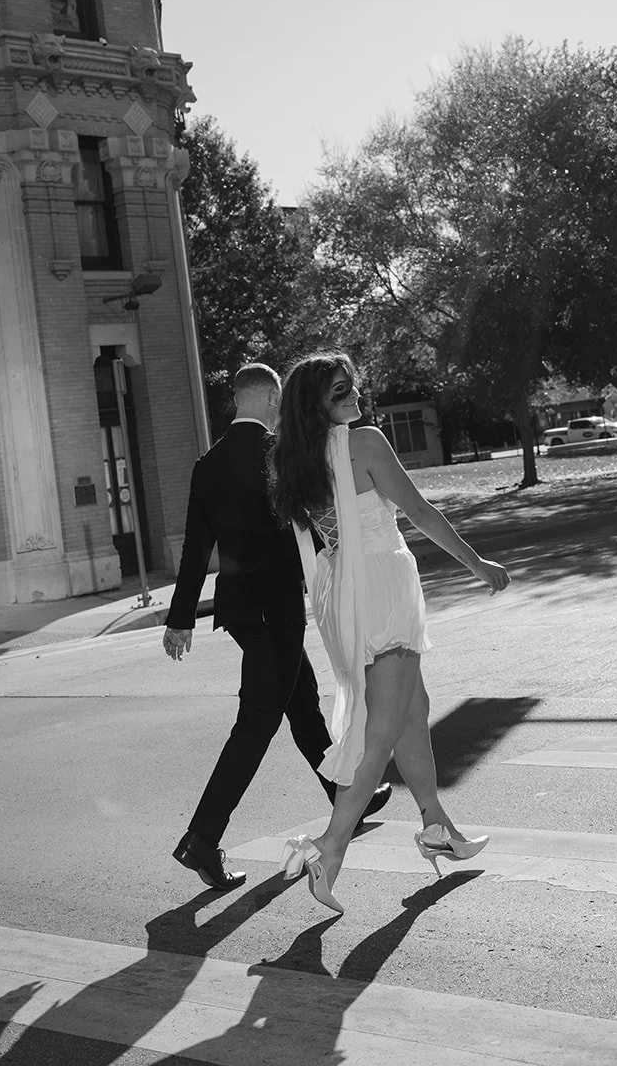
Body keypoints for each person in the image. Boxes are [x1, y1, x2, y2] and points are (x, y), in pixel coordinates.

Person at [269, 352, 510, 913]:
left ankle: (435, 824)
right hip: (383, 588)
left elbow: (320, 541)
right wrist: (477, 565)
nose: (353, 396)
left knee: (410, 708)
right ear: (315, 406)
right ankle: (328, 848)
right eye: (338, 392)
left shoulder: (294, 460)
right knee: (380, 730)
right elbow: (420, 513)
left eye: (352, 386)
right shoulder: (367, 443)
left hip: (342, 599)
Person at [163, 362, 390, 892]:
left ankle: (343, 796)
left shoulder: (207, 464)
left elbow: (196, 548)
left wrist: (180, 619)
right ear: (269, 399)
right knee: (257, 722)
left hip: (242, 611)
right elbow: (313, 517)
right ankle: (201, 838)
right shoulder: (277, 453)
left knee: (301, 701)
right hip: (278, 608)